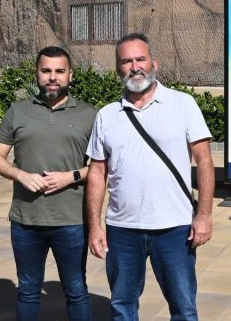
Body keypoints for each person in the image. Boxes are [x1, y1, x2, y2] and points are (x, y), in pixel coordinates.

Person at [85, 33, 215, 321]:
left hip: (175, 228)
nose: (135, 67)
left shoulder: (183, 104)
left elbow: (205, 161)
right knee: (122, 307)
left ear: (153, 62)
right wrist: (94, 226)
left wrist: (204, 215)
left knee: (183, 308)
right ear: (118, 69)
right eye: (126, 61)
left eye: (140, 58)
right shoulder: (107, 115)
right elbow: (97, 172)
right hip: (122, 230)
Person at [0, 46, 97, 321]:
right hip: (26, 221)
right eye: (46, 70)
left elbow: (100, 167)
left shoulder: (89, 114)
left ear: (70, 75)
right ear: (37, 74)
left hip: (71, 221)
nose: (52, 77)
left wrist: (69, 176)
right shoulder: (18, 112)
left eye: (59, 71)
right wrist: (21, 175)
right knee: (27, 291)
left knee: (75, 290)